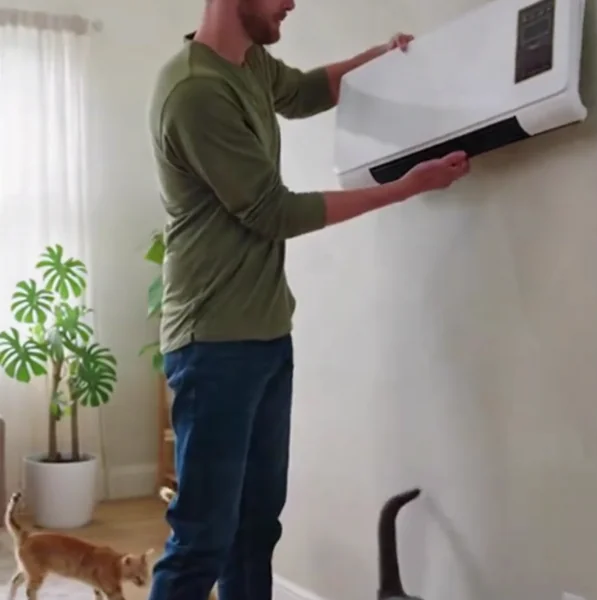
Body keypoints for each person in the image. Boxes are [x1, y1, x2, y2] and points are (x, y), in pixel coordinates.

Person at [146, 1, 470, 599]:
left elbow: (301, 92)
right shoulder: (195, 93)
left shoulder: (249, 63)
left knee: (255, 528)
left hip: (267, 334)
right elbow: (273, 212)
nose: (292, 2)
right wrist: (403, 188)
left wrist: (380, 60)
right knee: (202, 539)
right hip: (213, 344)